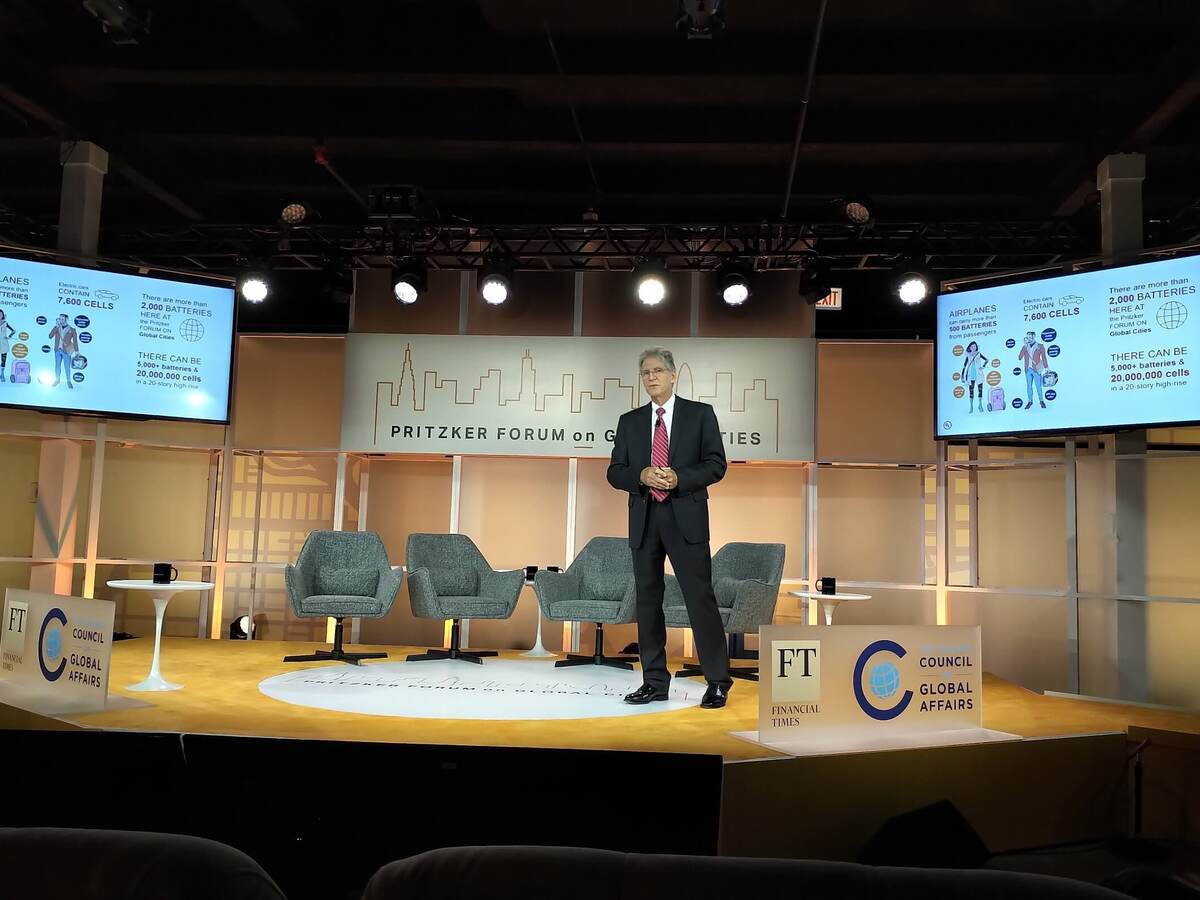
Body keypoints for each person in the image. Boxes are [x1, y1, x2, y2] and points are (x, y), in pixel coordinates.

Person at [607, 347, 732, 710]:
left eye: (658, 371)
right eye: (645, 373)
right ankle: (655, 681)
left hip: (686, 517)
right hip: (645, 518)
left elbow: (716, 464)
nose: (652, 378)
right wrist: (641, 475)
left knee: (700, 600)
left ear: (674, 375)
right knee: (648, 603)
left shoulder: (700, 415)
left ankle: (718, 682)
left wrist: (679, 478)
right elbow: (615, 471)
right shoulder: (629, 421)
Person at [1018, 331, 1048, 409]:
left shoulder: (1040, 346)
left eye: (1030, 337)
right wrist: (1024, 347)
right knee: (1029, 386)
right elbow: (1020, 357)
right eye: (1027, 337)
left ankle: (1041, 401)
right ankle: (1030, 401)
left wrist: (1046, 368)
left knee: (1038, 386)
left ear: (1034, 336)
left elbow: (1044, 357)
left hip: (1036, 369)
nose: (1029, 339)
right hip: (1027, 369)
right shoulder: (1025, 346)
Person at [49, 314, 78, 390]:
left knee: (67, 367)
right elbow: (50, 336)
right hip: (57, 350)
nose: (60, 320)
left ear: (66, 319)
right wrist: (56, 327)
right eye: (60, 319)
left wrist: (76, 351)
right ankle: (57, 380)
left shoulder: (72, 330)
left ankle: (68, 381)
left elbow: (75, 341)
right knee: (57, 366)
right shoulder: (57, 328)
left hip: (66, 351)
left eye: (62, 319)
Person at [960, 341, 986, 413]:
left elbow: (986, 360)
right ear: (969, 347)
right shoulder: (968, 356)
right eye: (972, 346)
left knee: (980, 390)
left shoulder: (978, 354)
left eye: (974, 346)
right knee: (971, 391)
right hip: (970, 376)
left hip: (979, 375)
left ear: (976, 347)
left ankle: (980, 405)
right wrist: (962, 376)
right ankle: (971, 407)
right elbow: (964, 366)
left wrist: (983, 366)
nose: (973, 347)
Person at [0, 309, 13, 381]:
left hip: (4, 344)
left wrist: (9, 336)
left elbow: (13, 331)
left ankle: (2, 374)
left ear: (2, 315)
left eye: (1, 314)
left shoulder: (5, 323)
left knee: (3, 360)